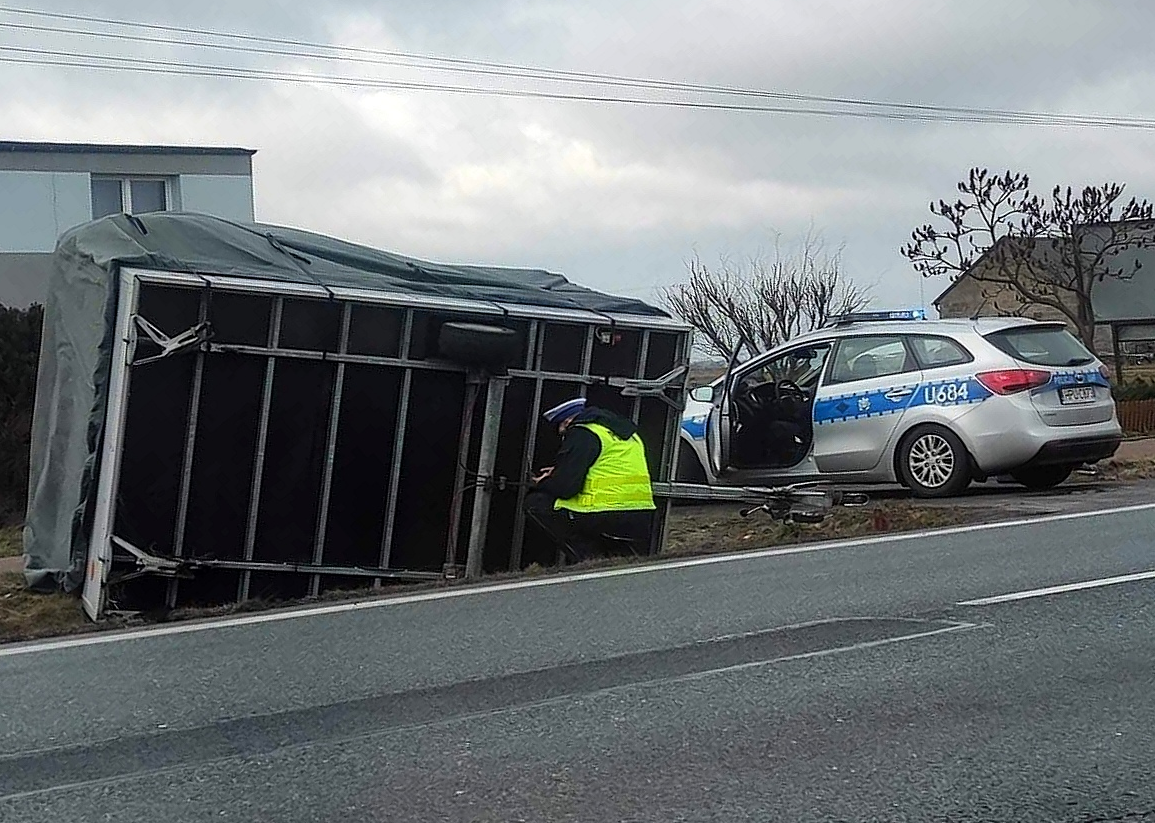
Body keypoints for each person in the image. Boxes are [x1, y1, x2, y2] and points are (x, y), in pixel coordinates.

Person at [525, 397, 656, 563]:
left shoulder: (583, 433)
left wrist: (540, 483)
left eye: (561, 428)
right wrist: (560, 470)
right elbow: (605, 467)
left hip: (605, 516)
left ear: (567, 421)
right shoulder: (625, 433)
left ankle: (587, 559)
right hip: (642, 516)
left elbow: (566, 488)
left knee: (535, 503)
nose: (560, 432)